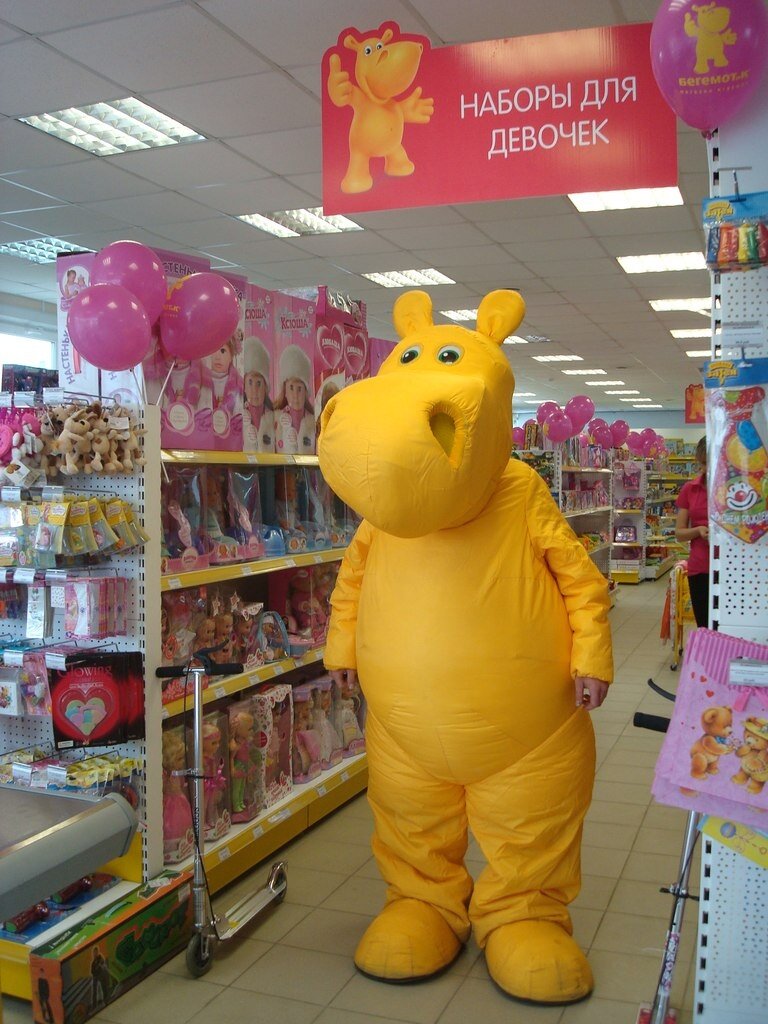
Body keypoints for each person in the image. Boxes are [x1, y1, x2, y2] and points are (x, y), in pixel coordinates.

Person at [675, 436, 709, 627]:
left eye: (711, 463)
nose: (706, 469)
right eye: (703, 463)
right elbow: (679, 533)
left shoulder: (736, 489)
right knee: (704, 626)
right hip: (700, 567)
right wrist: (698, 530)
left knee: (728, 630)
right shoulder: (690, 489)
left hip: (732, 566)